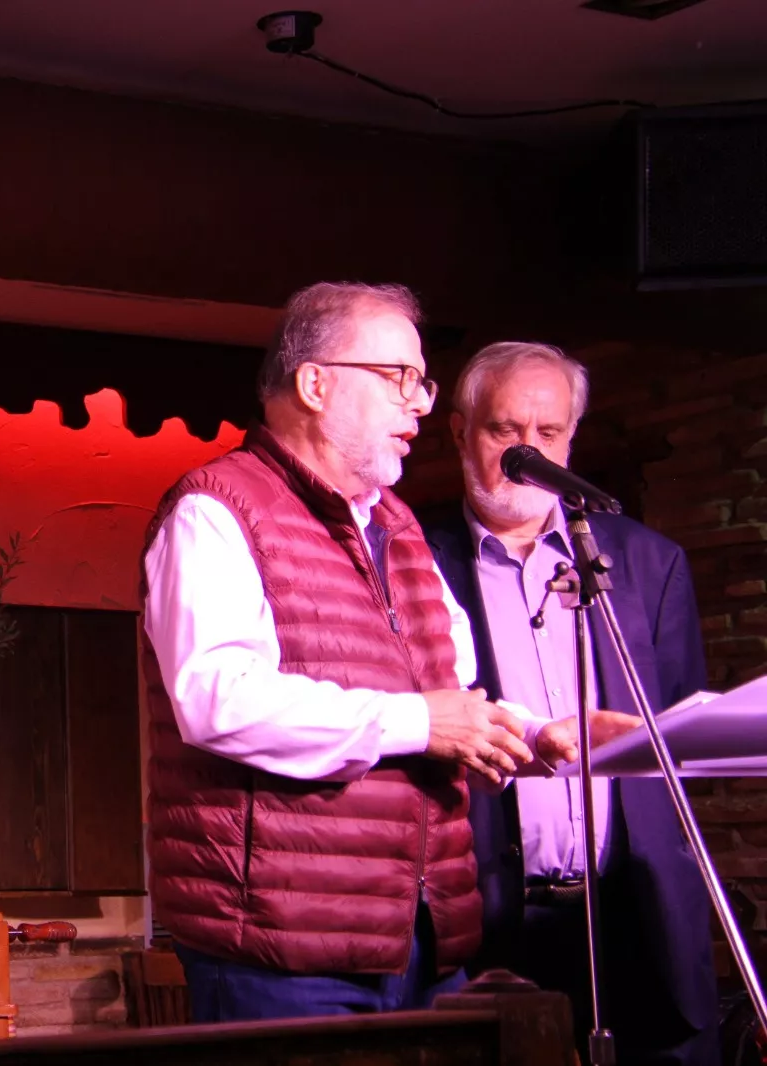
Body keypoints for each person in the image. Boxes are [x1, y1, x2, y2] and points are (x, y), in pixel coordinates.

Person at [141, 282, 582, 1023]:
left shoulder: (400, 527)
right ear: (315, 384)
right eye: (398, 379)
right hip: (283, 946)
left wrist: (528, 735)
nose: (419, 404)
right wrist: (420, 724)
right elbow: (216, 697)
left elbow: (451, 694)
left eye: (423, 382)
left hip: (421, 934)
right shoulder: (214, 510)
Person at [422, 341, 721, 1066]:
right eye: (505, 431)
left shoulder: (646, 561)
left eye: (547, 435)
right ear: (460, 431)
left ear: (571, 438)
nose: (528, 453)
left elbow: (679, 736)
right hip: (493, 919)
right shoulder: (416, 559)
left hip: (636, 916)